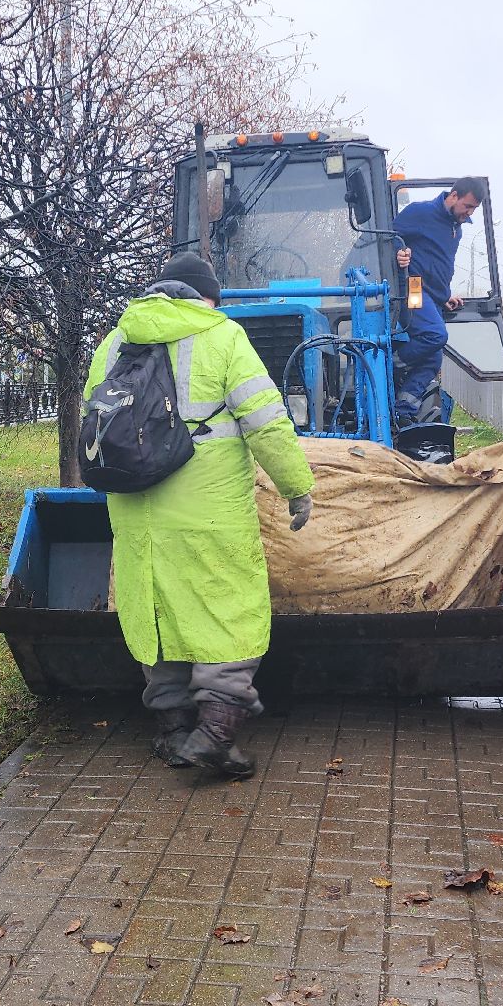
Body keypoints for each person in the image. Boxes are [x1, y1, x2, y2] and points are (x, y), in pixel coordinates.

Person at [86, 252, 315, 778]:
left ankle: (171, 732)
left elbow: (94, 424)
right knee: (228, 612)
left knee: (157, 615)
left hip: (135, 511)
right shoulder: (222, 336)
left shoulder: (114, 342)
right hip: (207, 510)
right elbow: (267, 423)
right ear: (206, 296)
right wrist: (297, 487)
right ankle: (214, 735)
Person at [391, 176, 486, 424]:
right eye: (467, 206)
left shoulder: (457, 226)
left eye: (474, 209)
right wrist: (400, 253)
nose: (469, 213)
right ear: (453, 196)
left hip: (433, 295)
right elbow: (385, 238)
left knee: (433, 357)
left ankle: (404, 410)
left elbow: (438, 264)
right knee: (436, 335)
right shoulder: (419, 213)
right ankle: (393, 363)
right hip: (412, 288)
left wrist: (445, 295)